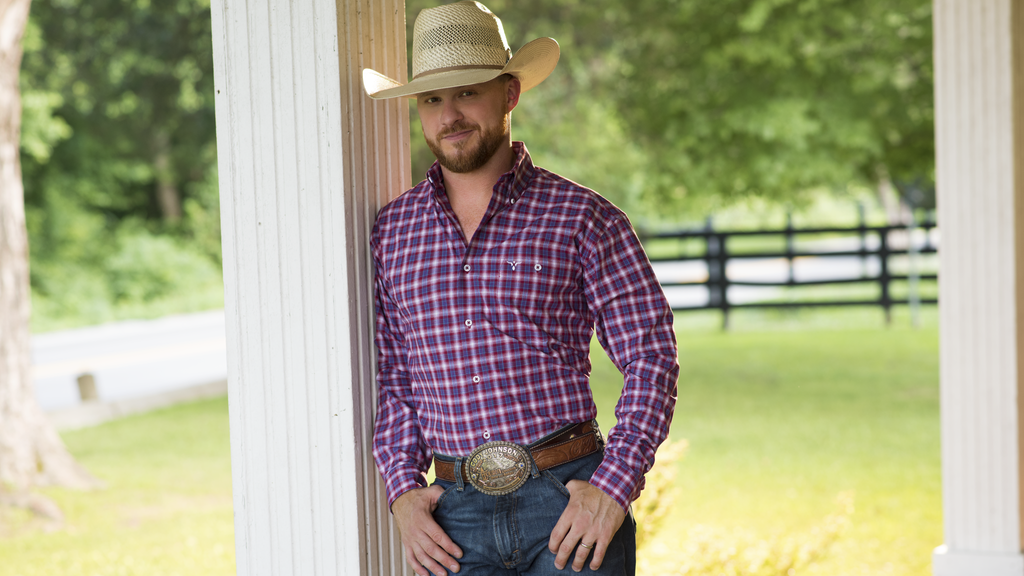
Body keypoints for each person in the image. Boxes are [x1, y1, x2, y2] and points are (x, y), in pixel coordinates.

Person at [362, 2, 678, 575]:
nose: (449, 115)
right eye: (432, 99)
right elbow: (396, 381)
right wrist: (403, 493)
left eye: (467, 93)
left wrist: (613, 486)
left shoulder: (585, 218)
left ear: (509, 93)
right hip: (452, 522)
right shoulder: (392, 232)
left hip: (567, 505)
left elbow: (651, 356)